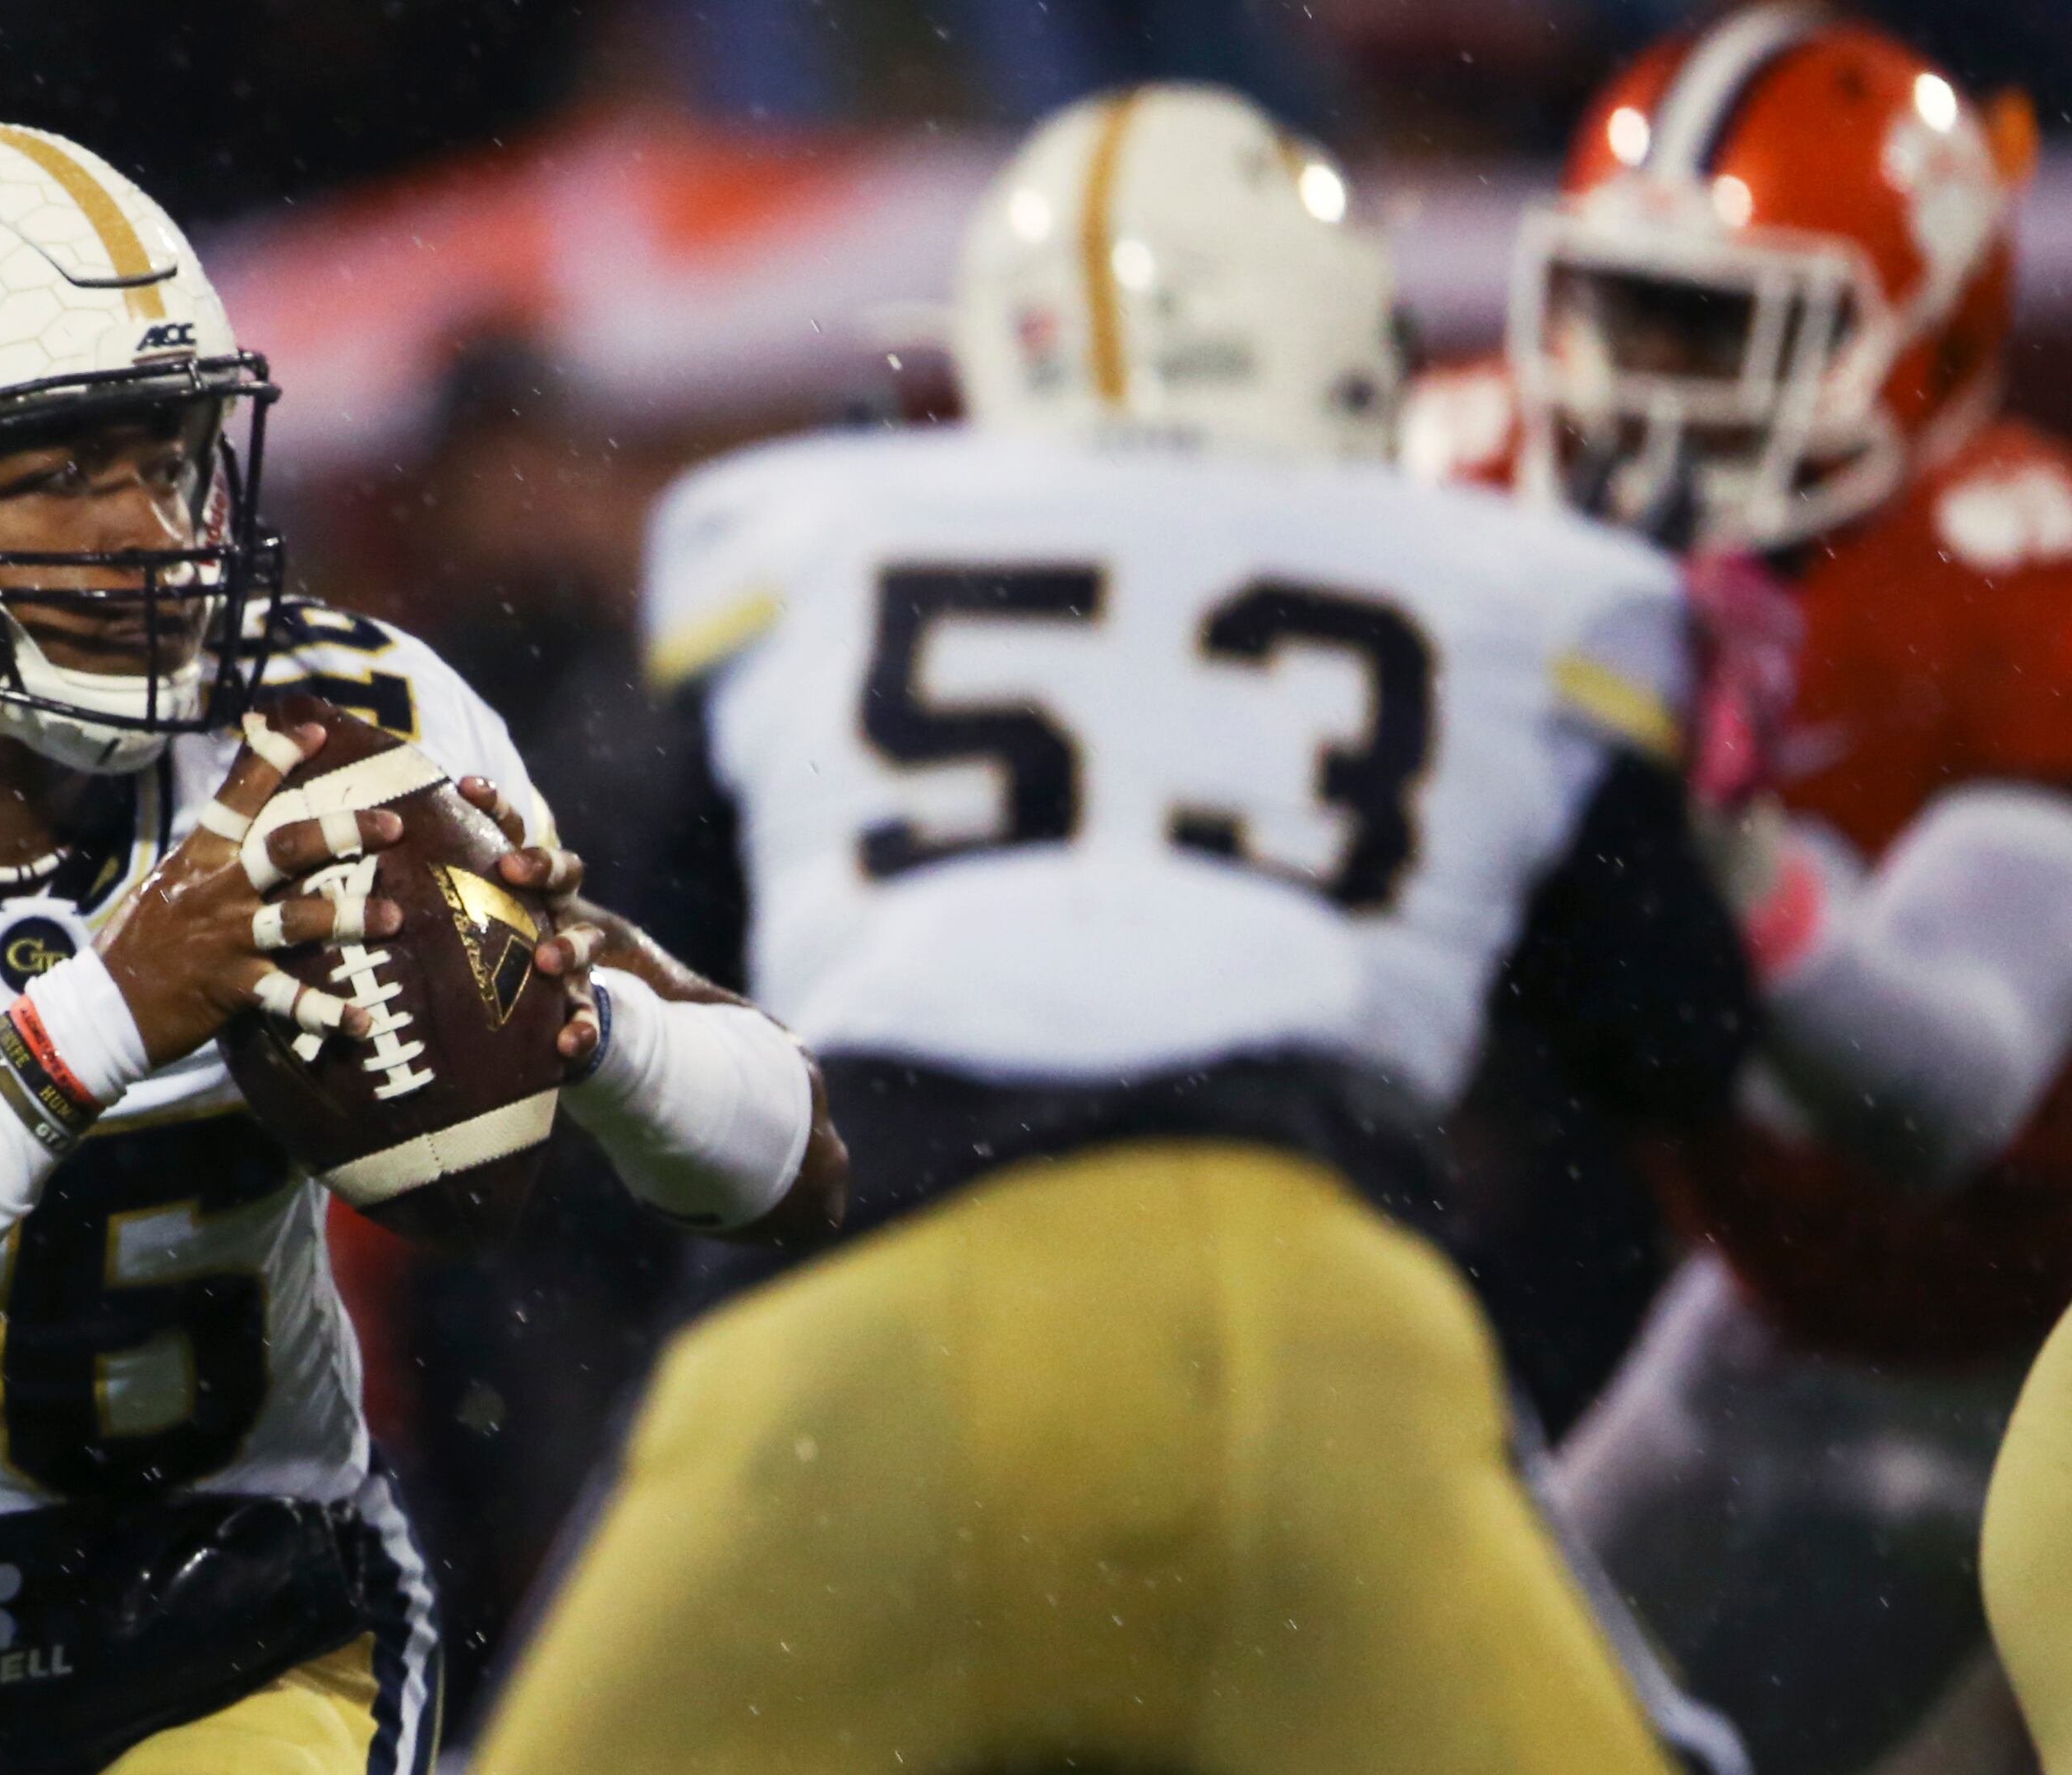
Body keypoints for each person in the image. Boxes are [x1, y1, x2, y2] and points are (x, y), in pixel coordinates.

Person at [0, 121, 845, 1775]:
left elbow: (794, 1163)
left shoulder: (342, 719)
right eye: (60, 467)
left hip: (219, 1644)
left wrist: (579, 1016)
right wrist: (93, 1024)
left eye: (170, 454)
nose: (145, 526)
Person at [474, 83, 1757, 1775]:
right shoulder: (1513, 581)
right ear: (1340, 343)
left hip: (853, 1324)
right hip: (1307, 1312)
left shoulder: (795, 538)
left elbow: (626, 1040)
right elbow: (1677, 1039)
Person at [1402, 13, 2072, 1768]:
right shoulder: (1478, 468)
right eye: (1621, 313)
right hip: (1770, 1313)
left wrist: (1743, 863)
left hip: (2044, 1336)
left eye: (1717, 329)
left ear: (1918, 349)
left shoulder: (2012, 579)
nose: (1641, 393)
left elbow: (1940, 1101)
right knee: (1483, 1729)